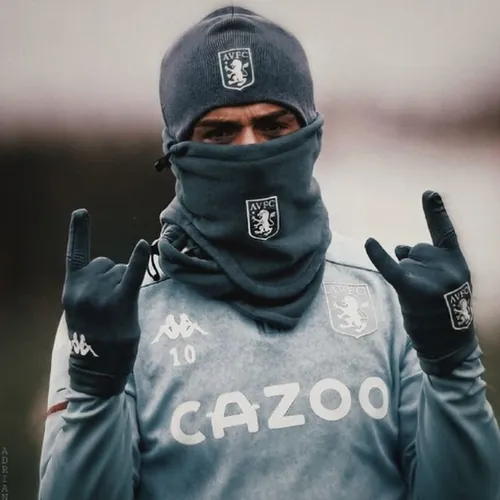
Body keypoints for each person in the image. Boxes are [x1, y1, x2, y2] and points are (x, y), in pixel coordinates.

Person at [38, 6, 500, 500]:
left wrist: (453, 367)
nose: (249, 150)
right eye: (219, 133)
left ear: (312, 134)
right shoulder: (115, 317)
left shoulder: (388, 295)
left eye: (274, 126)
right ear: (174, 150)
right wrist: (96, 391)